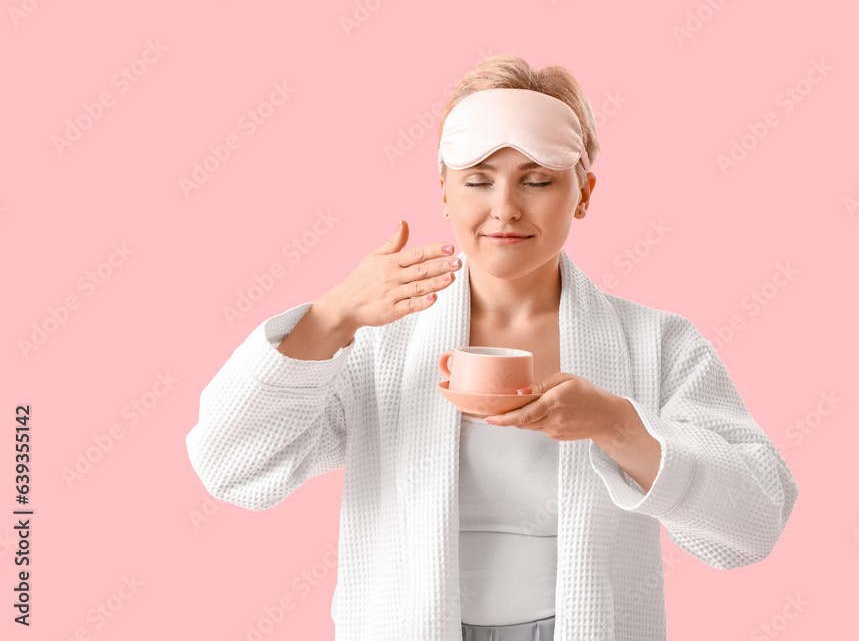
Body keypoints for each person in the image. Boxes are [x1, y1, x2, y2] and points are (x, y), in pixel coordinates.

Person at [185, 53, 798, 641]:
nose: (504, 208)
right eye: (478, 180)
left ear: (584, 193)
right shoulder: (379, 346)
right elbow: (229, 465)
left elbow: (754, 522)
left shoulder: (656, 344)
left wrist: (615, 424)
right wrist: (333, 316)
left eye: (537, 180)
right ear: (445, 192)